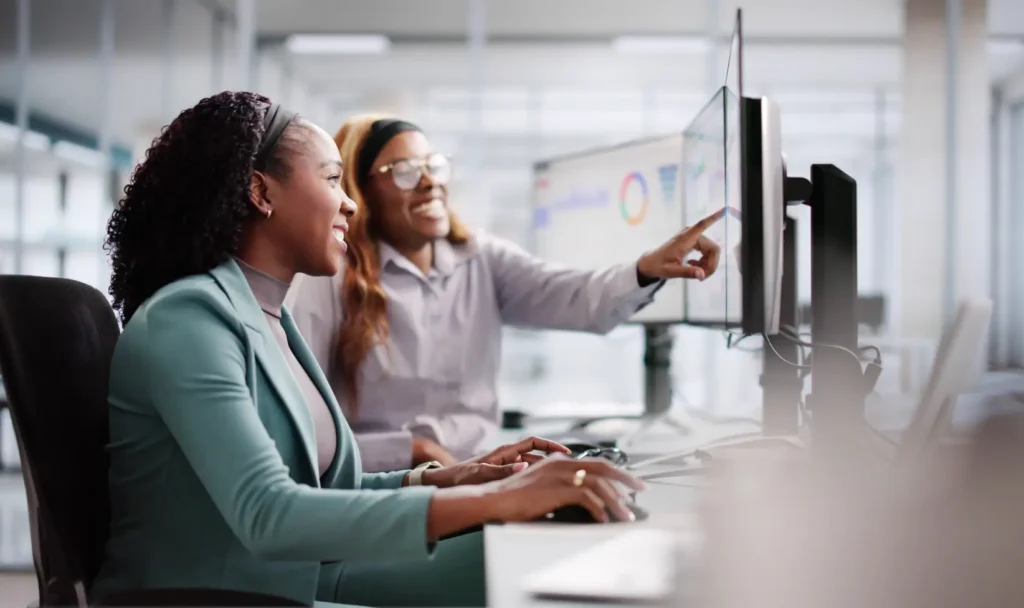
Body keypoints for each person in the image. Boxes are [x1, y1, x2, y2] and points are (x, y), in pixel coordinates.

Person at [91, 92, 644, 608]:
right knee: (549, 553)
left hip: (301, 570)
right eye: (333, 179)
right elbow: (268, 513)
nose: (350, 205)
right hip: (232, 592)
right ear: (261, 193)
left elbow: (324, 486)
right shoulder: (188, 319)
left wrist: (453, 476)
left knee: (562, 536)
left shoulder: (268, 315)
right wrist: (500, 500)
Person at [286, 115, 725, 472]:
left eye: (433, 165)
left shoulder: (480, 257)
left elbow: (574, 297)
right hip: (384, 484)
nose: (428, 182)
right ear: (361, 191)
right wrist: (412, 451)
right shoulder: (329, 277)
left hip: (479, 470)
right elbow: (304, 430)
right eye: (403, 172)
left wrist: (645, 269)